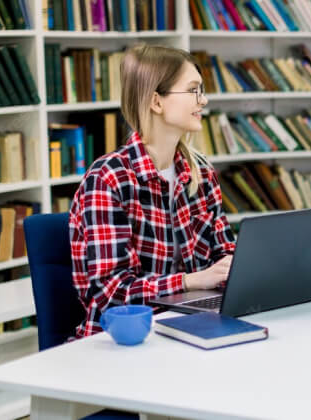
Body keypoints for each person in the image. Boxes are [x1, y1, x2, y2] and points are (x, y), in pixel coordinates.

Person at [69, 44, 236, 338]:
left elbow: (224, 253)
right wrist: (189, 281)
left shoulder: (201, 174)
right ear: (156, 102)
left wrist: (241, 268)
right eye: (193, 90)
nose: (204, 100)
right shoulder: (109, 178)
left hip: (192, 324)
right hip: (123, 340)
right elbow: (111, 292)